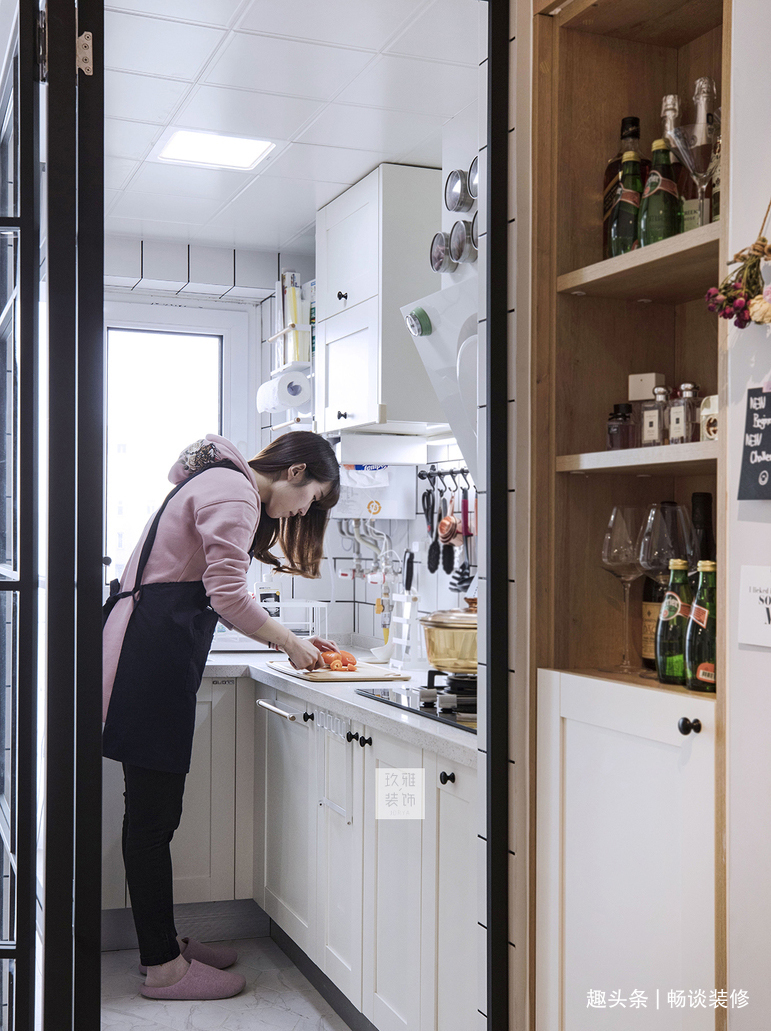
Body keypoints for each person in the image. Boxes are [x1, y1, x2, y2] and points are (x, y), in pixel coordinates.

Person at [102, 431, 340, 1001]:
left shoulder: (217, 480)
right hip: (149, 654)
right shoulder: (234, 493)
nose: (303, 511)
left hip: (147, 647)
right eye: (311, 499)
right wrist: (290, 643)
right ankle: (162, 968)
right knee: (154, 819)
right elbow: (228, 594)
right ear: (295, 471)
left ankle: (164, 944)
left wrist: (286, 638)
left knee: (155, 815)